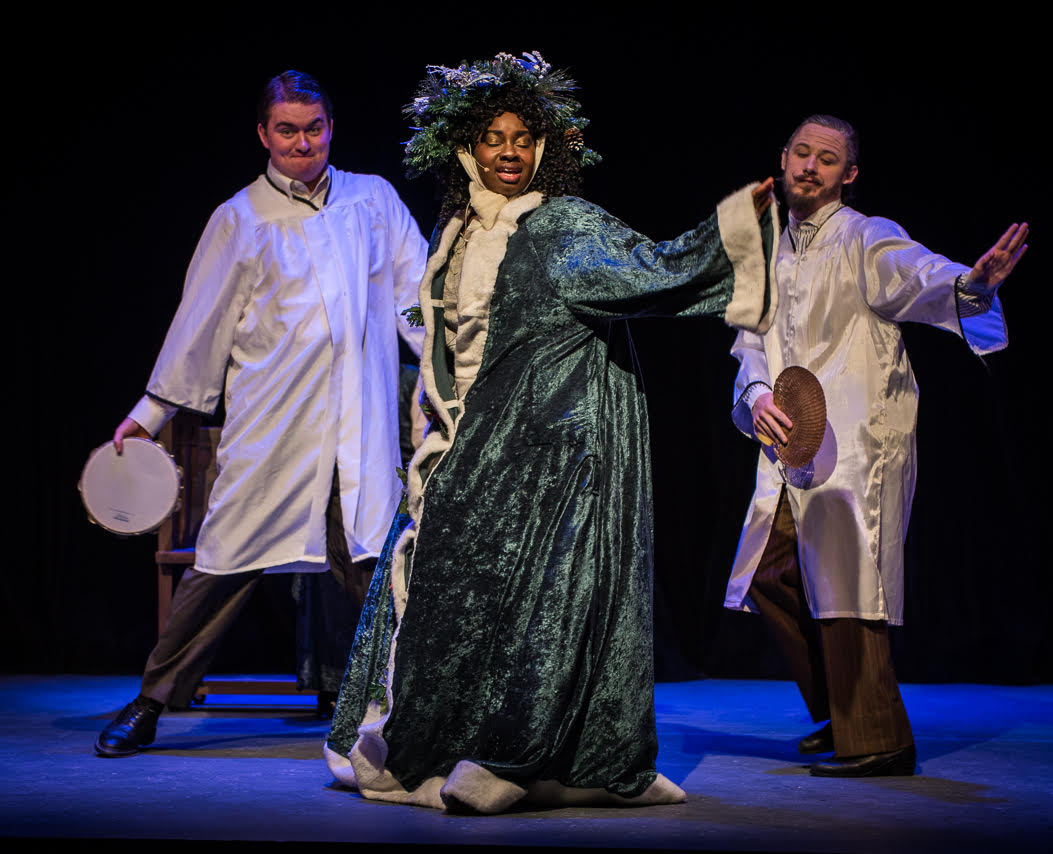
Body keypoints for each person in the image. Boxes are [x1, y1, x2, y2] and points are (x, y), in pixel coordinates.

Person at [324, 52, 778, 813]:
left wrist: (734, 227)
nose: (509, 152)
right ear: (467, 146)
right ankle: (451, 740)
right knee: (453, 597)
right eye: (494, 137)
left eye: (523, 137)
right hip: (465, 444)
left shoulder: (562, 224)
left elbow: (655, 270)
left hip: (555, 450)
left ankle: (536, 754)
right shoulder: (458, 228)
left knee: (548, 607)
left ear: (546, 148)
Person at [94, 71, 427, 757]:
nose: (302, 142)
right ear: (263, 135)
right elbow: (200, 326)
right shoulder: (239, 217)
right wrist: (149, 414)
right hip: (274, 428)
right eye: (287, 129)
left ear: (331, 126)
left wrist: (455, 374)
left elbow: (416, 299)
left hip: (357, 430)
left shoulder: (374, 200)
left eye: (313, 127)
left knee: (376, 568)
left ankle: (415, 709)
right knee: (221, 564)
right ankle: (153, 700)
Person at [724, 114, 1028, 777]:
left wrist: (970, 285)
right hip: (790, 445)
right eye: (801, 152)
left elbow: (915, 274)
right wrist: (756, 398)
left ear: (848, 175)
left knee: (848, 585)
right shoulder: (771, 252)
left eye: (826, 159)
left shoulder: (866, 238)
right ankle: (842, 709)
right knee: (769, 578)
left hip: (856, 443)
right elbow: (749, 341)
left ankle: (879, 738)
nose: (810, 166)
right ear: (782, 158)